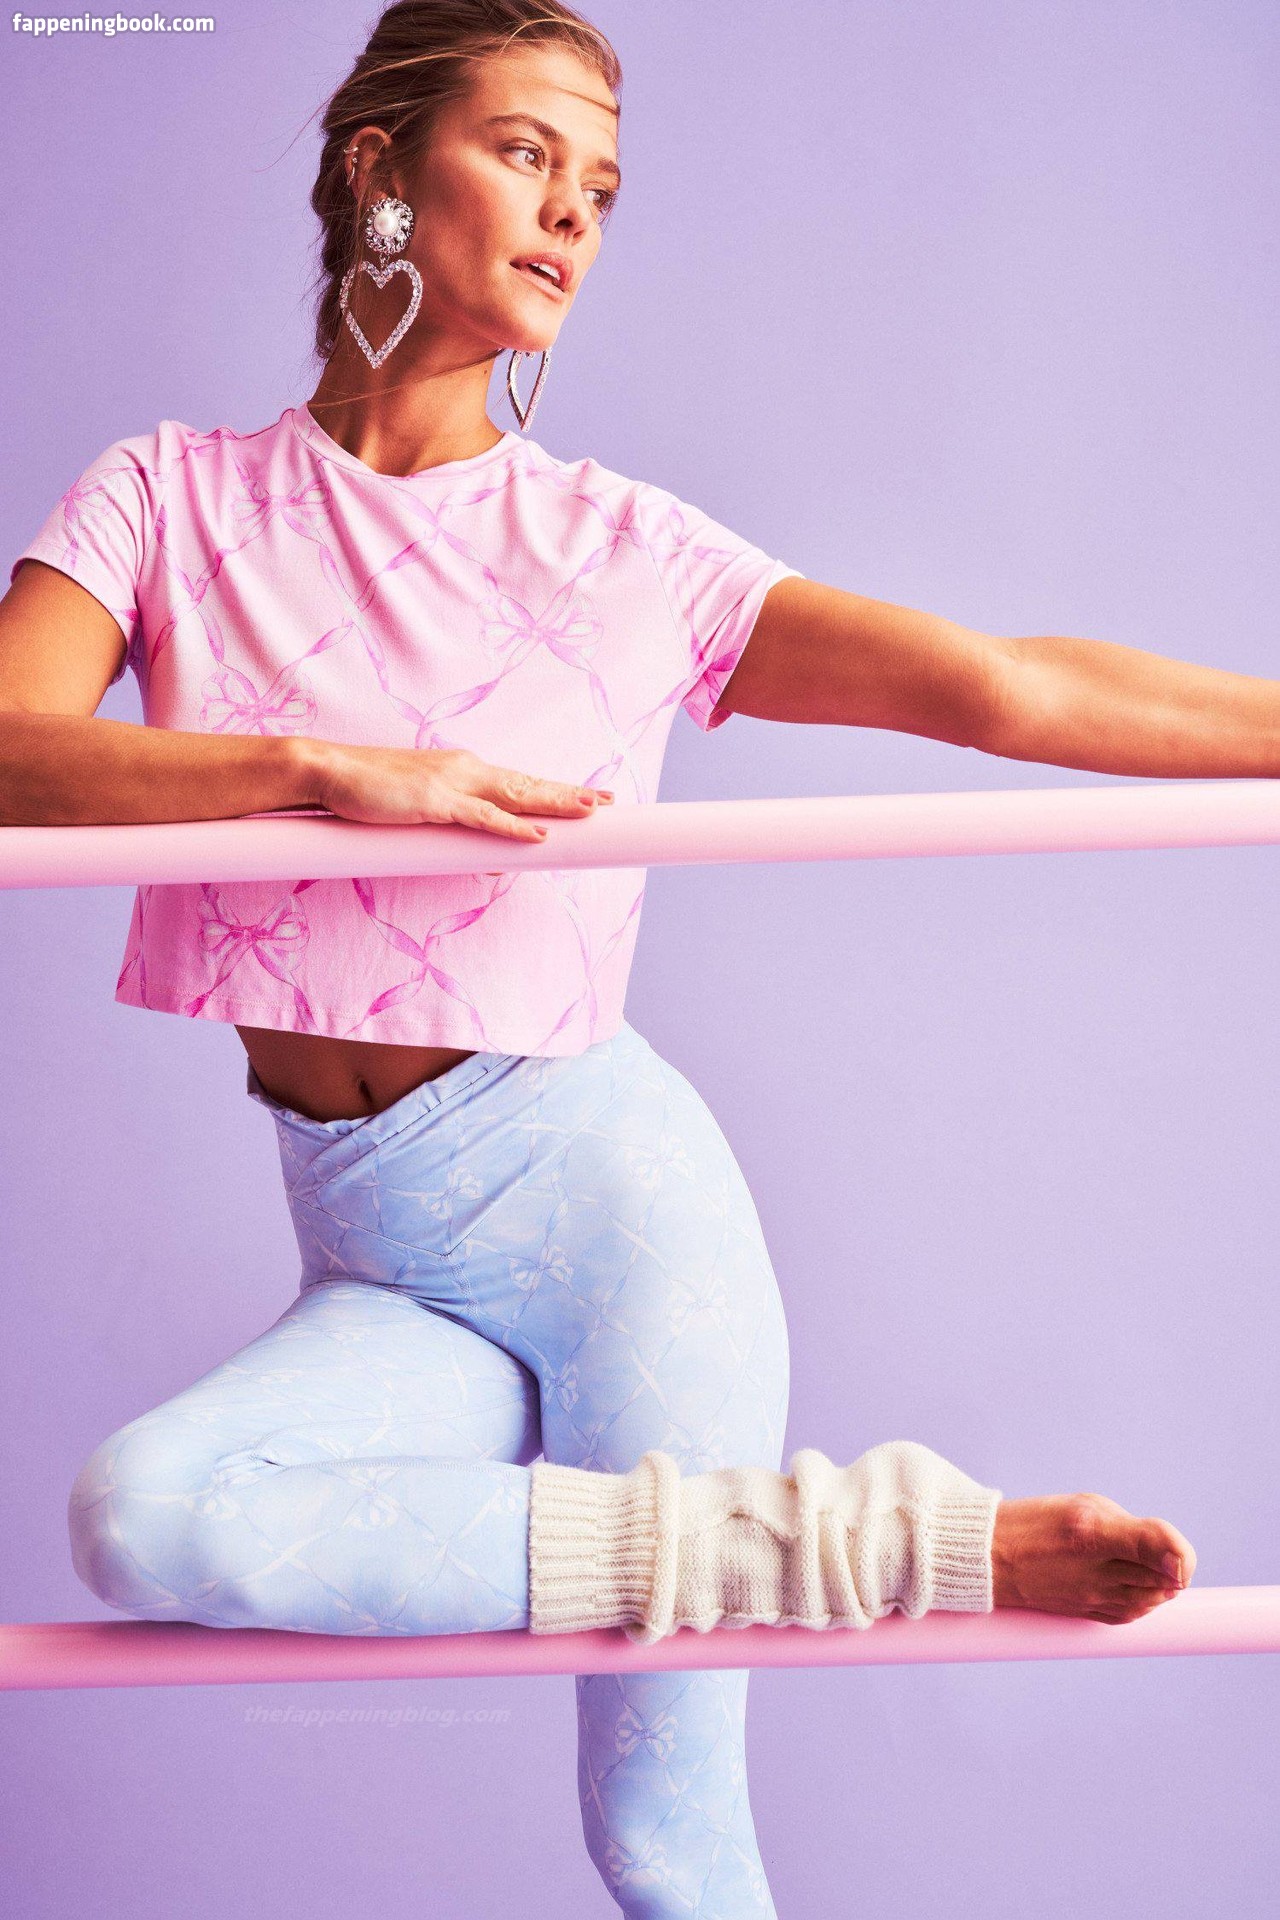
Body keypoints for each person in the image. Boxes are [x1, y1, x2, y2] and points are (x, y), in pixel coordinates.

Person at [0, 3, 1213, 1914]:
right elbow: (13, 754)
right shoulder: (167, 495)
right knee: (146, 1521)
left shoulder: (620, 551)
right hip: (370, 1239)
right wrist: (320, 771)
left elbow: (1009, 688)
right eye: (525, 153)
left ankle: (847, 1550)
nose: (573, 212)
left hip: (605, 1210)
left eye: (605, 187)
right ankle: (861, 1544)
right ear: (378, 169)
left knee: (661, 1839)